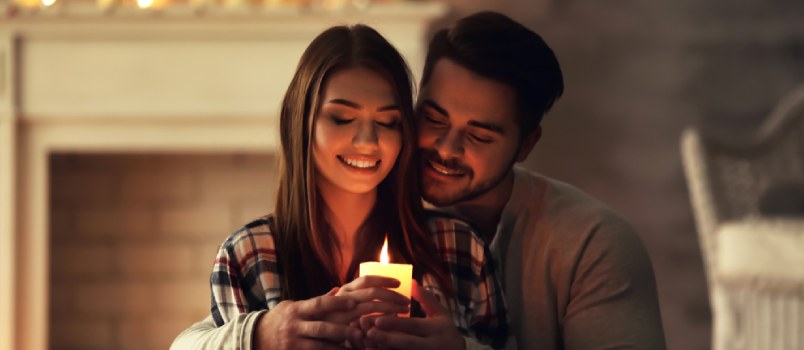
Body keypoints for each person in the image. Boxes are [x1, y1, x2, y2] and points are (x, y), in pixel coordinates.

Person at [170, 24, 508, 350]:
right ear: (301, 122)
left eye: (387, 122)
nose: (368, 141)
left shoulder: (459, 247)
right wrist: (262, 338)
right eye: (343, 118)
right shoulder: (248, 254)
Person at [363, 11, 667, 350]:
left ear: (525, 145)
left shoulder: (590, 244)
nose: (446, 148)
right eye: (433, 119)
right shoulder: (360, 199)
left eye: (479, 136)